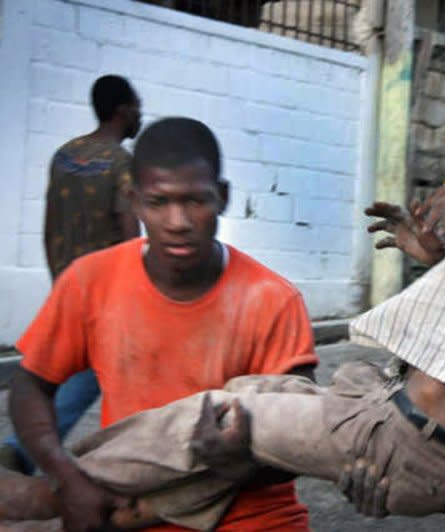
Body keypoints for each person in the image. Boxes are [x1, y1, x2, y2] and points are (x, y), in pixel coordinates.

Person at [0, 37, 445, 529]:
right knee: (239, 407)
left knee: (215, 418)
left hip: (416, 441)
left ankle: (53, 497)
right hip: (399, 411)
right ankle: (126, 509)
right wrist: (437, 254)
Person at [6, 117, 319, 532]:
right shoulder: (89, 281)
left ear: (222, 197)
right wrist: (66, 478)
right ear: (134, 201)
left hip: (255, 518)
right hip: (128, 513)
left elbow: (305, 442)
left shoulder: (273, 300)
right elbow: (32, 384)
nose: (177, 221)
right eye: (158, 202)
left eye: (195, 200)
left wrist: (238, 464)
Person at [0, 75, 142, 475]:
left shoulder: (63, 156)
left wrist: (60, 282)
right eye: (136, 104)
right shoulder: (122, 163)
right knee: (103, 374)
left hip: (67, 283)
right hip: (110, 291)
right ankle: (25, 451)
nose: (140, 112)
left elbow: (48, 225)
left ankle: (24, 449)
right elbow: (130, 233)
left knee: (69, 372)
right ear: (123, 109)